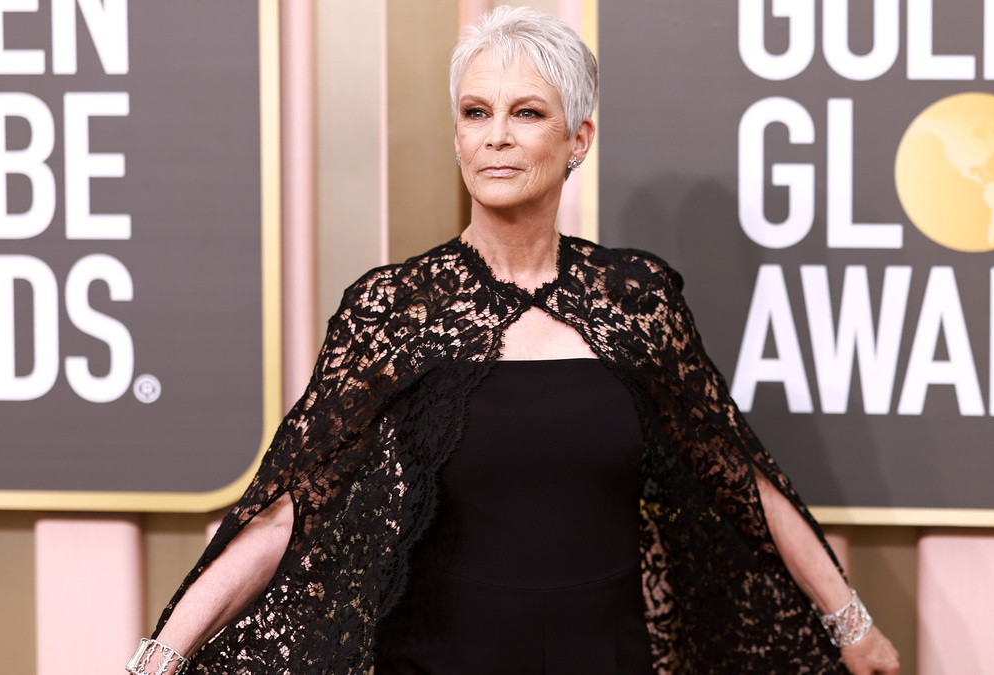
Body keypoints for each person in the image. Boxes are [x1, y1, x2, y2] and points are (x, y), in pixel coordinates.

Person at [126, 6, 900, 675]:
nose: (495, 137)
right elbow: (290, 508)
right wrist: (163, 654)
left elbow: (734, 471)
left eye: (526, 113)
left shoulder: (636, 298)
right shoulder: (395, 307)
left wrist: (852, 623)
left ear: (579, 139)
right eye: (475, 112)